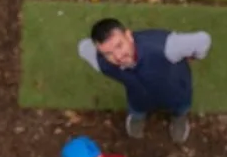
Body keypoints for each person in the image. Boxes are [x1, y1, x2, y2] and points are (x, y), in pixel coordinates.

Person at [77, 18, 212, 144]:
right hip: (138, 97)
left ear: (129, 36)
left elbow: (203, 40)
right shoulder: (102, 63)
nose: (117, 56)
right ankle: (137, 117)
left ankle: (179, 118)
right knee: (137, 108)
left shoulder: (164, 47)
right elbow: (83, 47)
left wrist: (196, 56)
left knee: (181, 107)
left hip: (176, 89)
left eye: (119, 45)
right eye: (108, 53)